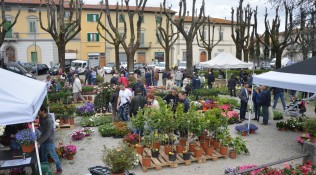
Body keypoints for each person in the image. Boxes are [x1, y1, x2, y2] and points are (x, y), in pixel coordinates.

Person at [37, 106, 62, 175]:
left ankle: (59, 169)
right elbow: (41, 128)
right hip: (43, 140)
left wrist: (39, 141)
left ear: (43, 111)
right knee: (43, 155)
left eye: (39, 111)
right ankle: (46, 168)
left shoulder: (49, 120)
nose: (37, 112)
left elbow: (48, 133)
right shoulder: (41, 118)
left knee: (53, 155)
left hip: (49, 140)